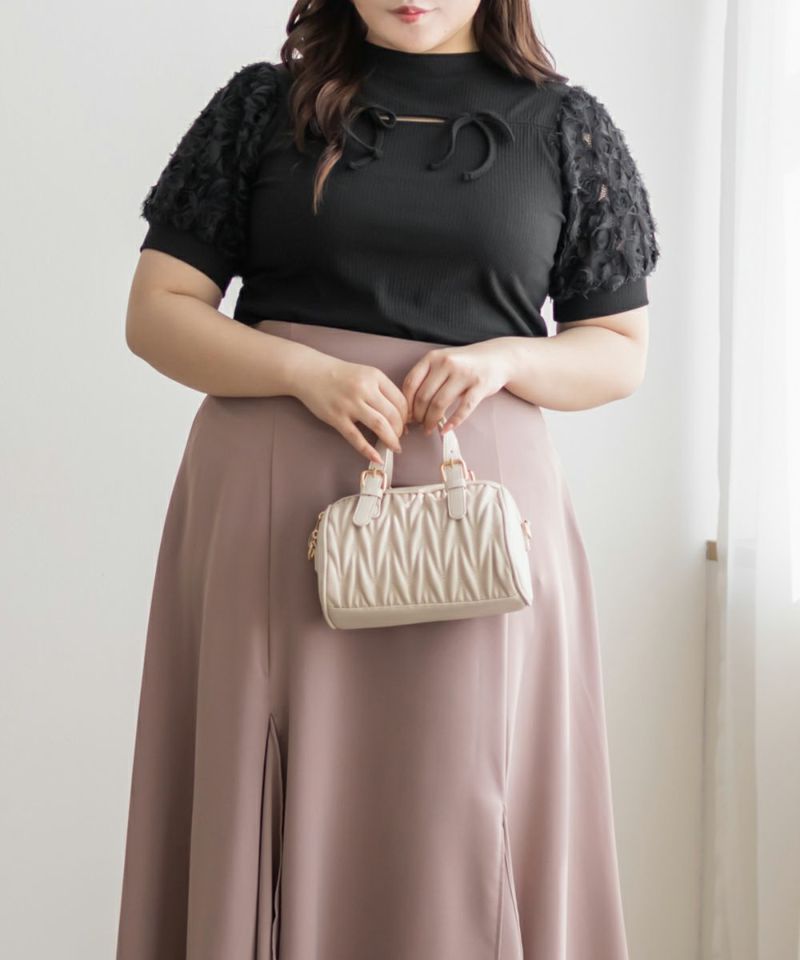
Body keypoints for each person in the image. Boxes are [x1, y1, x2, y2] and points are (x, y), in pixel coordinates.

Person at [116, 1, 660, 958]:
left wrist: (506, 359)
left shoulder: (566, 128)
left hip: (479, 529)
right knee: (264, 780)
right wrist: (301, 371)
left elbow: (618, 349)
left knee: (467, 799)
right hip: (275, 506)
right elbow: (158, 311)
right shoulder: (263, 107)